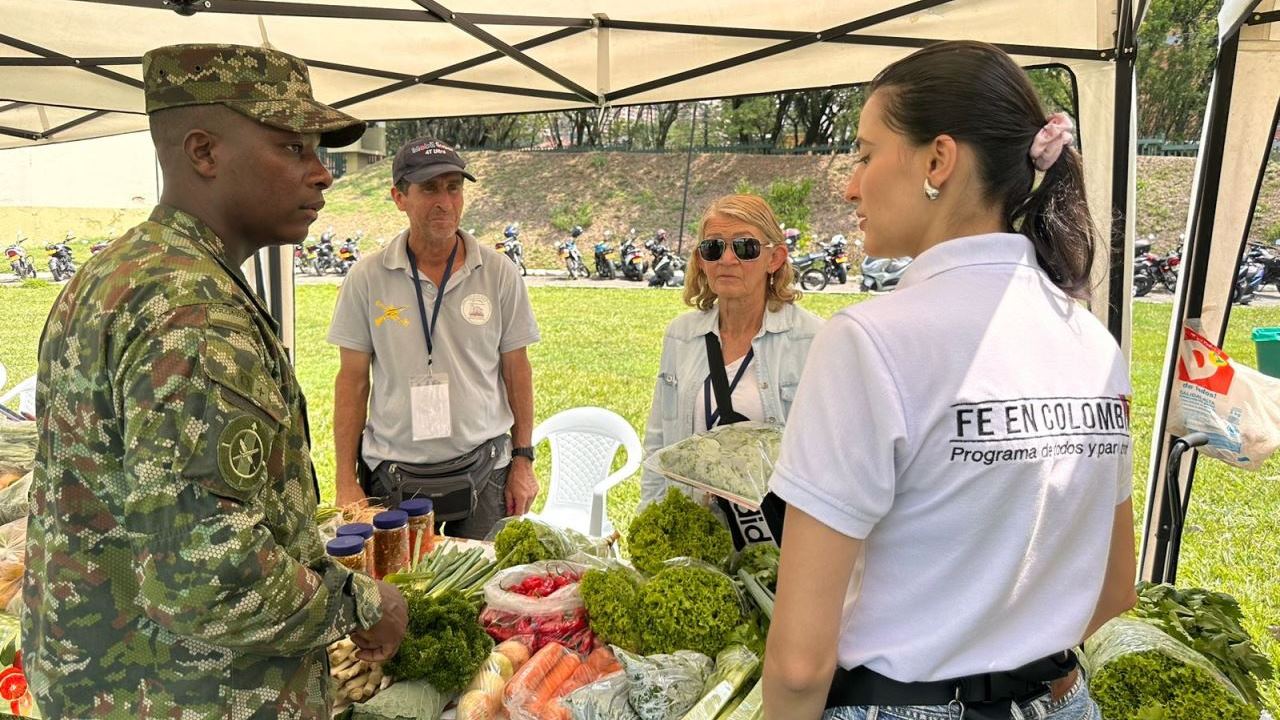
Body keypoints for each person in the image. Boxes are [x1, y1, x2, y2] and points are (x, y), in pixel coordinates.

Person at [22, 43, 407, 718]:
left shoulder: (120, 271)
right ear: (204, 152)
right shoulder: (192, 313)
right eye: (293, 148)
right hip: (185, 692)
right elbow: (205, 572)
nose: (322, 174)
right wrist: (363, 603)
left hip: (112, 681)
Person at [763, 41, 1137, 720]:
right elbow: (1116, 590)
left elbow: (798, 664)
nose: (851, 186)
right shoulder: (1093, 343)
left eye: (865, 155)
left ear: (937, 160)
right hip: (1064, 699)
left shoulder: (868, 342)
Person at [328, 138, 540, 540]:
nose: (444, 201)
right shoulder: (367, 277)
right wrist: (345, 481)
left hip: (485, 472)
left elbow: (517, 370)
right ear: (399, 198)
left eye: (453, 187)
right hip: (391, 476)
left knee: (482, 578)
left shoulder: (499, 273)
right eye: (429, 189)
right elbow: (352, 381)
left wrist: (523, 460)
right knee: (397, 580)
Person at [640, 194, 823, 548]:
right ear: (701, 261)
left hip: (776, 544)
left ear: (775, 258)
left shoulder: (812, 339)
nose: (727, 259)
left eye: (745, 247)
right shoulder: (682, 335)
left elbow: (830, 461)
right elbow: (659, 441)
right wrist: (653, 522)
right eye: (713, 248)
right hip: (697, 541)